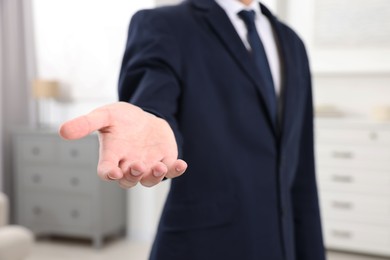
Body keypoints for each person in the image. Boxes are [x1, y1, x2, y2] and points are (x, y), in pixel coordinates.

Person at [59, 0, 326, 259]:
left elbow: (301, 163)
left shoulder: (292, 42)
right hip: (205, 243)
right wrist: (153, 118)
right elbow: (153, 97)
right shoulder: (165, 24)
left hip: (282, 243)